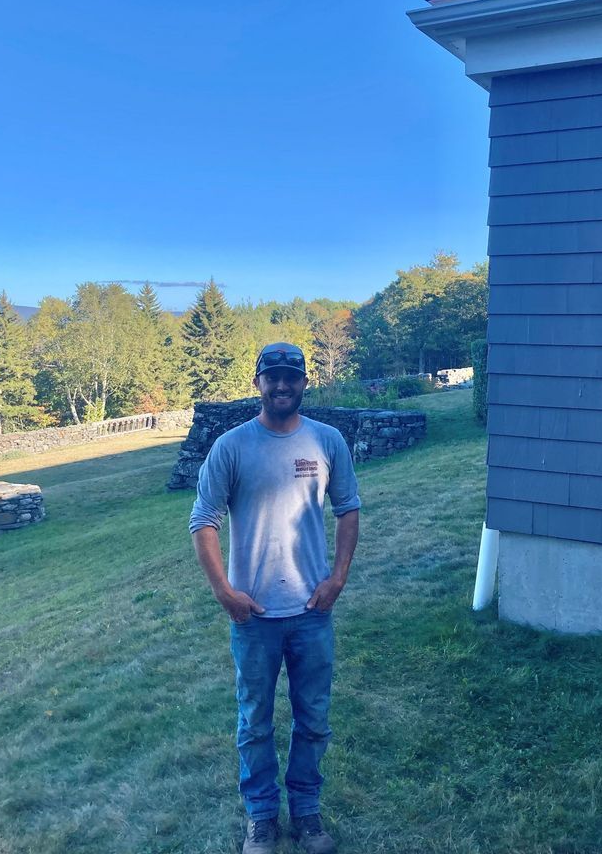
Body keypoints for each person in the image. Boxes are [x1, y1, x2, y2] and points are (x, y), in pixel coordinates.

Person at [190, 342, 361, 854]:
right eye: (273, 376)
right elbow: (203, 520)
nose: (282, 384)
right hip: (255, 616)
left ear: (305, 383)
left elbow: (348, 508)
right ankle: (261, 817)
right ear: (257, 382)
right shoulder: (232, 447)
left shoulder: (327, 441)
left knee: (313, 717)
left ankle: (307, 813)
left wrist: (338, 578)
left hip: (312, 612)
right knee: (254, 721)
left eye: (292, 376)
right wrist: (225, 591)